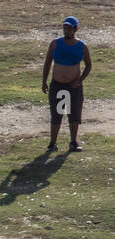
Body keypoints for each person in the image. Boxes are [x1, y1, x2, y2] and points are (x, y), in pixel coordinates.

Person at [43, 16, 92, 152]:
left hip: (73, 86)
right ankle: (52, 143)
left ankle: (73, 142)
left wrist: (80, 80)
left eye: (70, 28)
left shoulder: (82, 46)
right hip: (57, 85)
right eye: (65, 28)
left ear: (76, 29)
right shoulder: (55, 43)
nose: (67, 30)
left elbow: (88, 65)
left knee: (74, 114)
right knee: (57, 114)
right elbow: (47, 63)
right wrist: (44, 81)